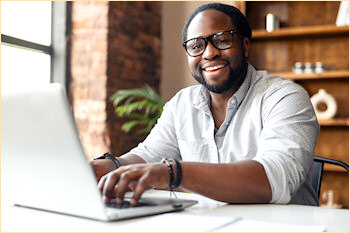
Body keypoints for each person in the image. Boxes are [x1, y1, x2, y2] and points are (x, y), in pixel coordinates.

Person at [91, 3, 320, 206]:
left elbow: (276, 179)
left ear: (245, 46)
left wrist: (173, 173)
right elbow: (149, 154)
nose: (209, 53)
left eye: (222, 40)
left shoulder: (285, 97)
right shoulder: (181, 104)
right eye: (196, 45)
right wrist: (111, 166)